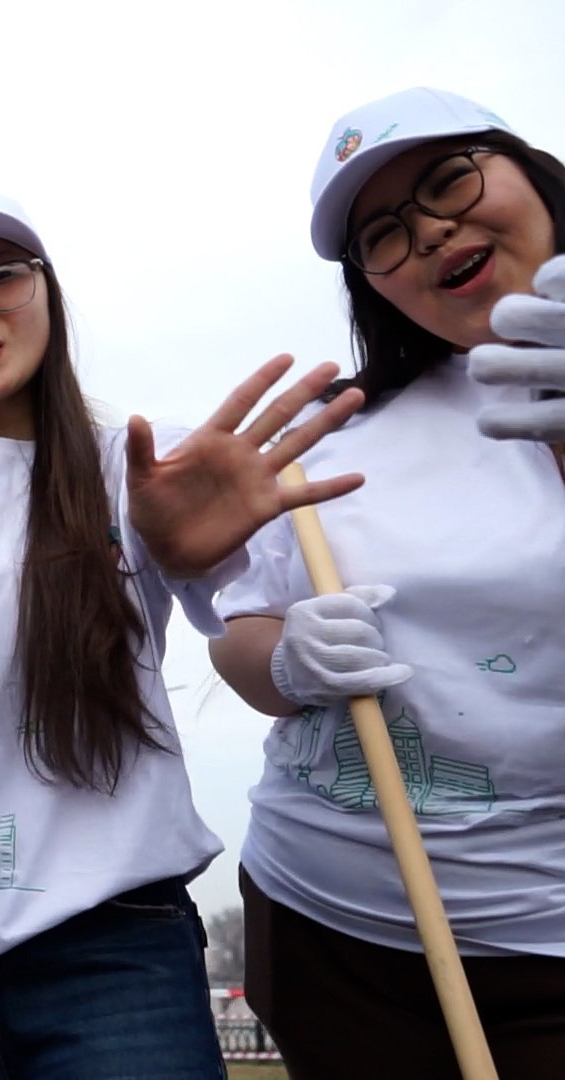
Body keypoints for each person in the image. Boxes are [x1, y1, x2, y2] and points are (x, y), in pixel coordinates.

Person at [0, 188, 362, 1079]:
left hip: (114, 952)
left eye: (2, 275)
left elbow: (239, 629)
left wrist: (268, 629)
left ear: (49, 294)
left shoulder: (137, 464)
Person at [210, 87, 565, 1078]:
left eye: (450, 179)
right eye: (383, 236)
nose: (431, 230)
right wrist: (288, 660)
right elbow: (238, 634)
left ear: (531, 172)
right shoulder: (331, 430)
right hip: (328, 922)